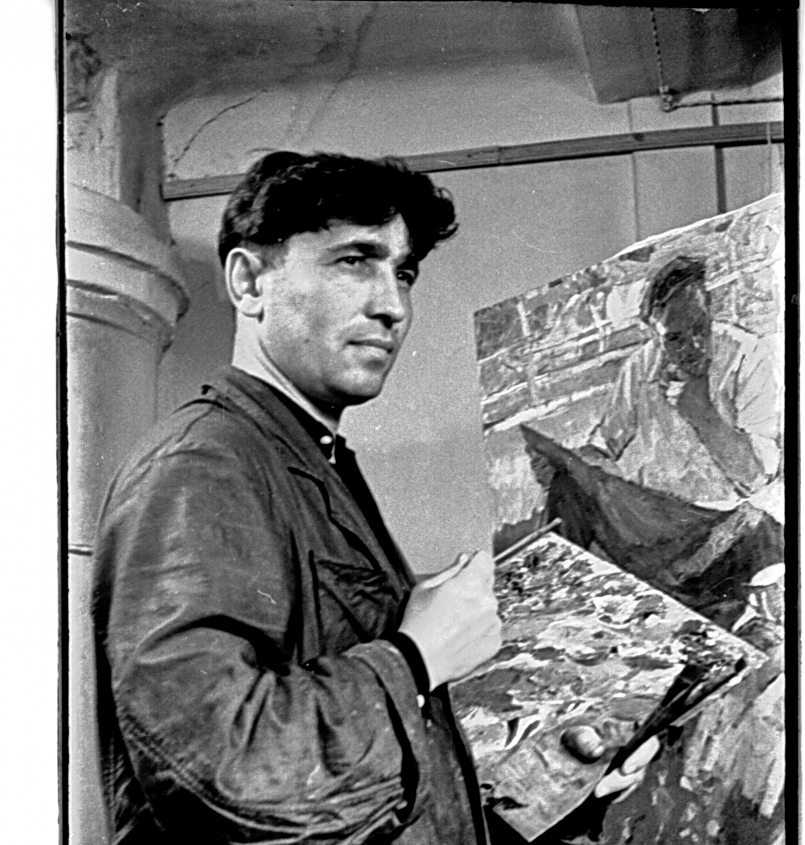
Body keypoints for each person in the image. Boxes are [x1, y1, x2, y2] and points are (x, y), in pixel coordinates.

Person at [91, 151, 655, 844]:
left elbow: (371, 809)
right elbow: (223, 773)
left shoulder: (306, 459)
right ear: (248, 282)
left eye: (403, 272)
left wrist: (558, 796)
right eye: (354, 260)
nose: (392, 305)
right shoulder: (205, 463)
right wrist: (417, 656)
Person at [534, 255, 783, 638]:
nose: (693, 346)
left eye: (700, 328)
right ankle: (554, 603)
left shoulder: (746, 356)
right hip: (654, 523)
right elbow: (604, 447)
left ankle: (724, 614)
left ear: (709, 310)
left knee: (763, 533)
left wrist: (703, 415)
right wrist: (563, 464)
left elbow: (756, 477)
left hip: (718, 524)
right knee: (568, 486)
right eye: (675, 338)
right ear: (655, 332)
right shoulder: (639, 367)